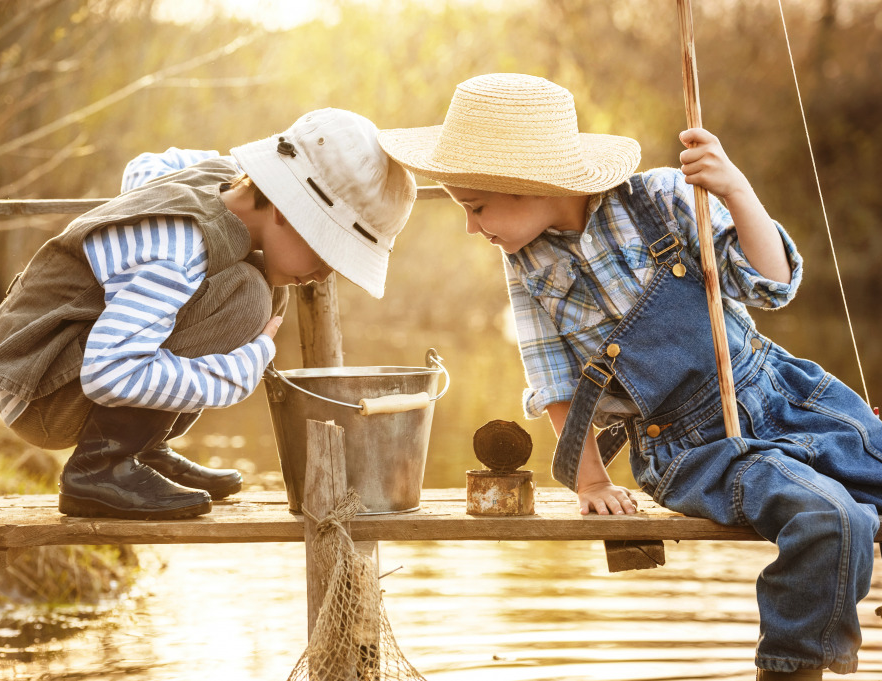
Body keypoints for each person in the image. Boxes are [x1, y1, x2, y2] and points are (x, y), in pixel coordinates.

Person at [378, 73, 882, 680]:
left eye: (476, 207)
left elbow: (770, 284)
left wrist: (736, 189)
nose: (471, 227)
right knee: (831, 518)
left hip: (783, 392)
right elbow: (556, 380)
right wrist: (589, 482)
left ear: (532, 185)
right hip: (695, 445)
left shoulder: (665, 197)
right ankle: (791, 670)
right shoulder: (525, 267)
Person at [0, 108, 416, 521]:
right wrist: (235, 374)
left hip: (57, 365)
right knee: (247, 296)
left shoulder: (222, 178)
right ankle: (99, 467)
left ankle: (141, 449)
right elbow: (109, 372)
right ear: (284, 207)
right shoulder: (175, 252)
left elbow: (144, 167)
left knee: (263, 281)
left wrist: (128, 255)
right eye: (328, 250)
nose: (324, 275)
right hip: (39, 390)